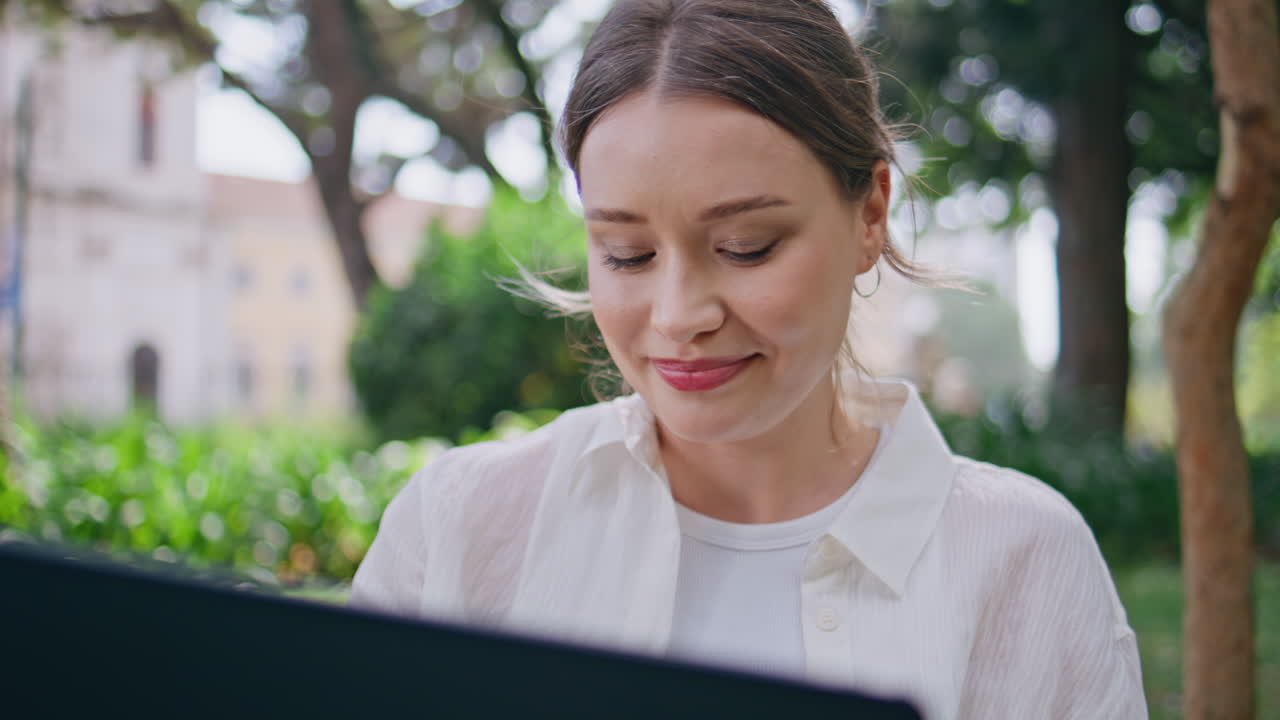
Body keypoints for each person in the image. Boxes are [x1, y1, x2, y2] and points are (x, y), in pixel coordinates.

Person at [350, 1, 1147, 717]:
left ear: (871, 214)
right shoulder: (459, 527)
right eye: (627, 254)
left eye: (746, 246)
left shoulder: (1023, 559)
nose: (680, 317)